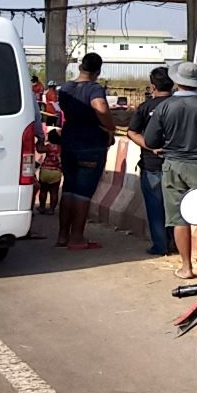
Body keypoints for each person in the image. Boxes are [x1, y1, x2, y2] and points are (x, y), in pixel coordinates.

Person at [144, 62, 197, 279]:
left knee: (178, 218)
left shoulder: (164, 107)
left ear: (177, 81)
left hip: (173, 165)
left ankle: (186, 266)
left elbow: (151, 140)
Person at [57, 53, 115, 250]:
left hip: (69, 141)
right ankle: (77, 237)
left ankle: (62, 235)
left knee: (68, 189)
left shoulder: (66, 88)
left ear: (80, 67)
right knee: (83, 192)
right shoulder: (94, 88)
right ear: (98, 71)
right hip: (91, 143)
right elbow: (100, 107)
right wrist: (110, 127)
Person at [126, 66, 173, 257]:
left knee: (155, 207)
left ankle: (160, 246)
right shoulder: (180, 105)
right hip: (178, 165)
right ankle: (177, 244)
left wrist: (149, 146)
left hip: (152, 165)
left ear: (153, 86)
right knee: (176, 208)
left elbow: (131, 132)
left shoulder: (146, 107)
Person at [34, 129, 62, 215]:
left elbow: (39, 149)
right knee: (54, 192)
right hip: (57, 172)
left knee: (43, 190)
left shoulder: (49, 146)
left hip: (45, 171)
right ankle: (51, 210)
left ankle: (42, 207)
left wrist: (39, 141)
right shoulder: (62, 148)